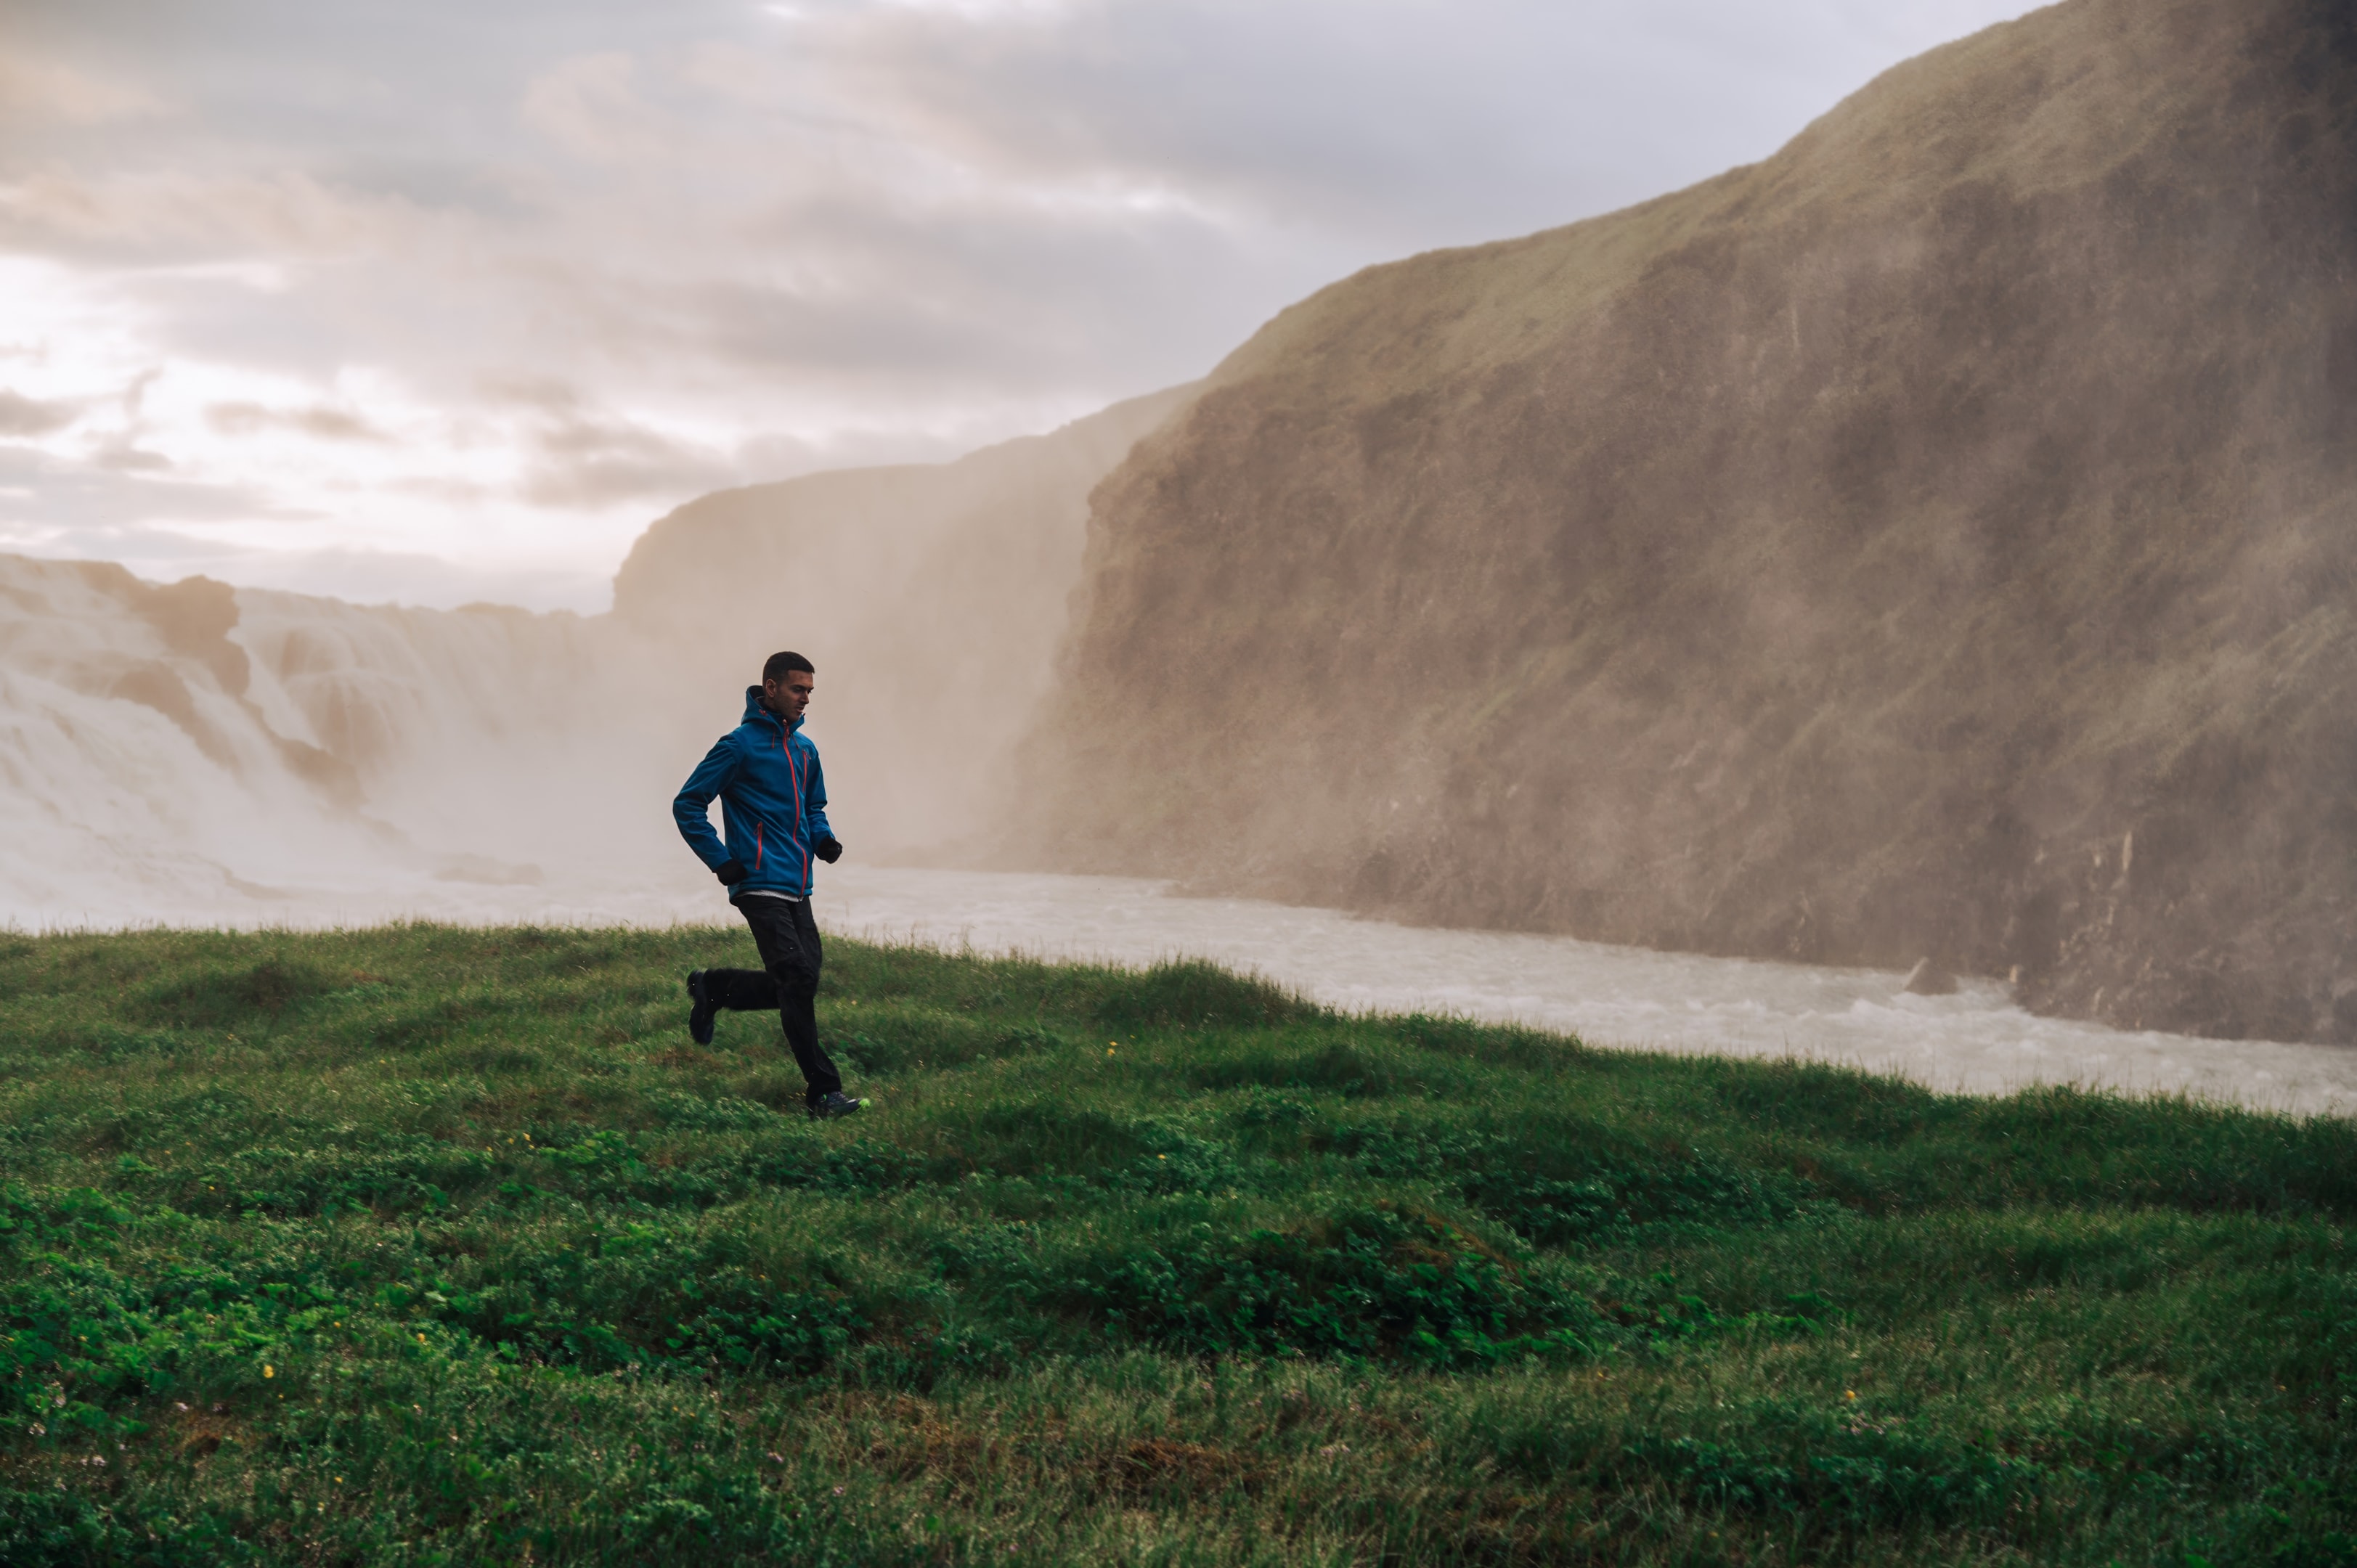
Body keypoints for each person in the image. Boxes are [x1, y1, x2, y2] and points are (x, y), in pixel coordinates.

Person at [672, 650, 866, 1119]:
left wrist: (823, 840)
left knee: (801, 981)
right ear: (771, 687)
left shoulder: (805, 750)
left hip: (799, 884)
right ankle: (824, 1093)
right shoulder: (737, 746)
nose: (805, 699)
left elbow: (813, 806)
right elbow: (688, 805)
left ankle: (714, 988)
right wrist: (722, 862)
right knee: (797, 979)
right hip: (757, 883)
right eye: (798, 690)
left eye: (810, 692)